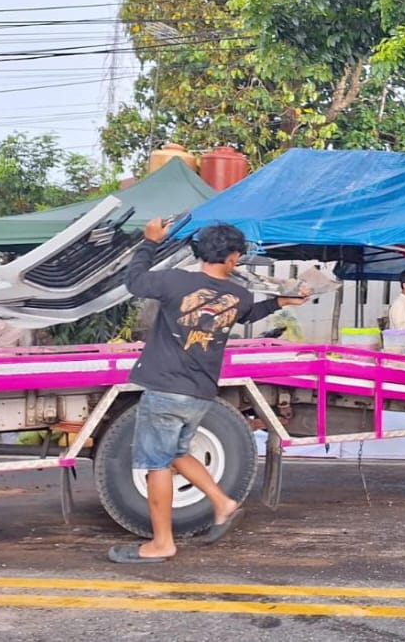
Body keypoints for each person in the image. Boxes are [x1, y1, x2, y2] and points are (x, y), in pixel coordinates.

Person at [108, 219, 307, 564]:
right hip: (200, 393)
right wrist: (280, 302)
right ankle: (223, 503)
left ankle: (162, 543)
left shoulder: (175, 282)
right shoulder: (238, 294)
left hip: (166, 389)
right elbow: (248, 314)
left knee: (156, 464)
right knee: (175, 453)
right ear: (231, 258)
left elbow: (134, 281)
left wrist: (150, 242)